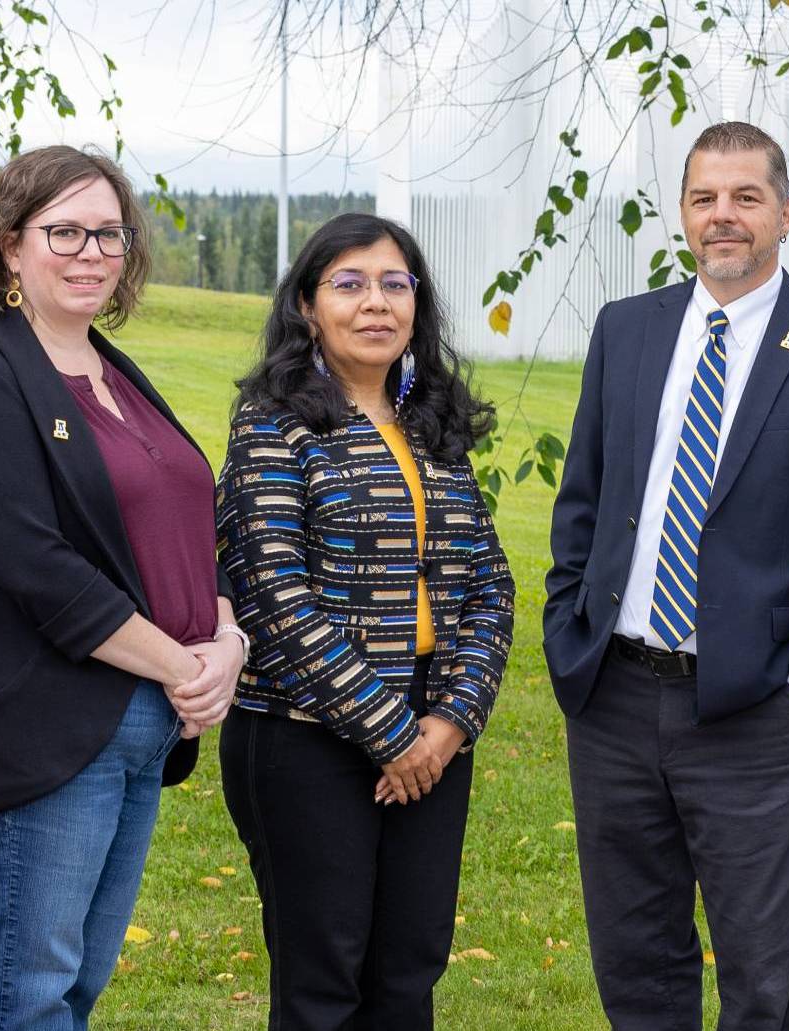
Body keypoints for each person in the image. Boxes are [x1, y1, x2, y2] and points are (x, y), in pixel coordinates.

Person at [543, 120, 789, 1030]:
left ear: (786, 212)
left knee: (759, 979)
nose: (723, 217)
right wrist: (568, 631)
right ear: (684, 215)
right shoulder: (628, 330)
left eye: (745, 198)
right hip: (614, 697)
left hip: (751, 710)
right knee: (636, 962)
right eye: (705, 198)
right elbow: (583, 499)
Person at [0, 145, 240, 1031]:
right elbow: (40, 571)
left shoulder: (110, 370)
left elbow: (189, 529)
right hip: (46, 723)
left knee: (79, 986)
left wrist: (226, 641)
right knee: (30, 994)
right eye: (65, 231)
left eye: (109, 234)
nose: (91, 252)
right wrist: (182, 665)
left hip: (144, 714)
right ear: (11, 245)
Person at [215, 212, 516, 1030]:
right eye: (349, 284)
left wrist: (450, 723)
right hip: (306, 737)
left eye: (395, 283)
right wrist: (394, 735)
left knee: (408, 976)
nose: (375, 303)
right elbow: (274, 596)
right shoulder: (272, 424)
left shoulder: (433, 427)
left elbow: (490, 586)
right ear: (309, 307)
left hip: (434, 733)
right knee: (324, 987)